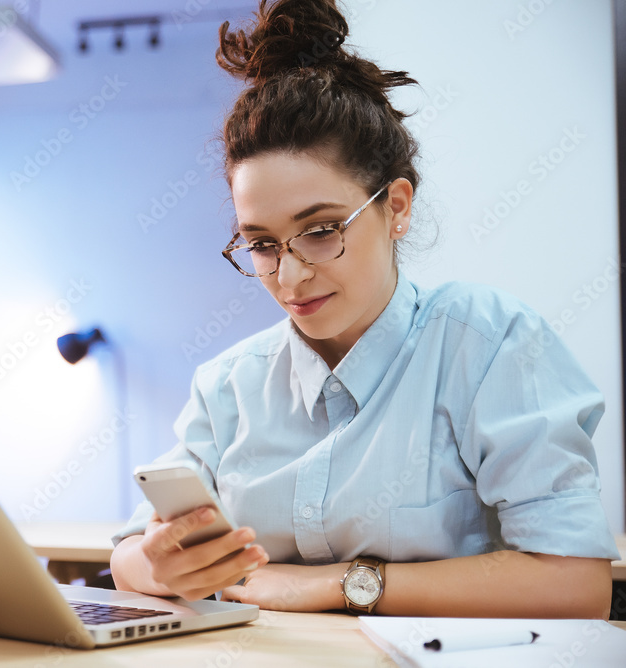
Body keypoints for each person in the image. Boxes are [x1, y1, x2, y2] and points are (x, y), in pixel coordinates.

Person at [109, 0, 620, 618]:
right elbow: (129, 554)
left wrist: (338, 584)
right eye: (262, 244)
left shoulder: (487, 343)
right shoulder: (229, 385)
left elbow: (575, 585)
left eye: (322, 230)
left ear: (396, 207)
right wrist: (156, 563)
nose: (290, 276)